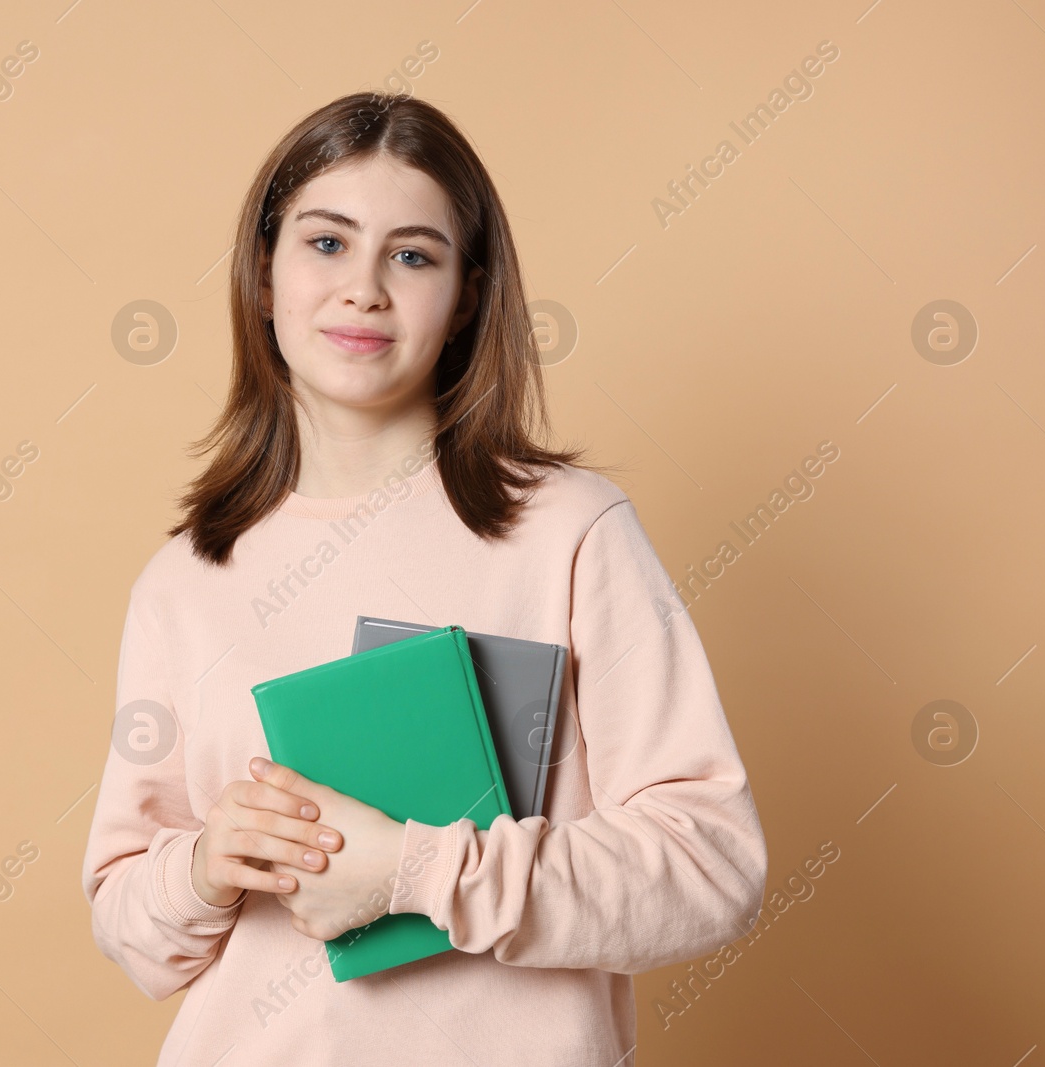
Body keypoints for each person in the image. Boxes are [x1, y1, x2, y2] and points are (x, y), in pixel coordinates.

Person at [81, 89, 768, 1066]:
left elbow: (710, 867)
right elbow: (131, 925)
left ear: (468, 296)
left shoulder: (569, 533)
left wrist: (417, 870)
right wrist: (201, 866)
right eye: (326, 243)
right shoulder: (186, 577)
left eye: (412, 254)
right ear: (263, 276)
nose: (364, 288)